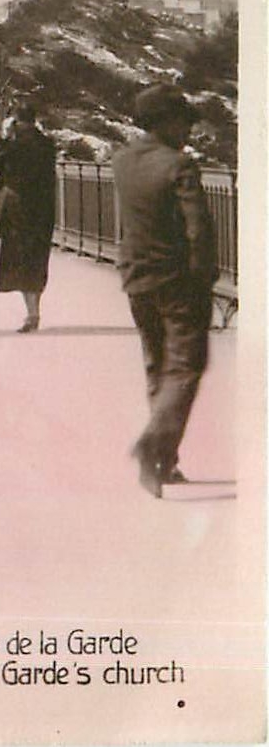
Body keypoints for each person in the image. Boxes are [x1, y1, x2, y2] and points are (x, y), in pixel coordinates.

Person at [112, 85, 216, 498]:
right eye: (183, 120)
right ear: (165, 122)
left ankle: (164, 463)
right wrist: (204, 277)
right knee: (186, 366)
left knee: (156, 362)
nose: (188, 129)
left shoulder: (121, 161)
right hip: (177, 281)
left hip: (136, 277)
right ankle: (153, 445)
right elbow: (198, 229)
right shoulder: (180, 165)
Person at [0, 102, 57, 331]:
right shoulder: (47, 144)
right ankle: (34, 310)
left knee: (19, 258)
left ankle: (31, 313)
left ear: (15, 121)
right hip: (43, 208)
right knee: (37, 257)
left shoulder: (12, 145)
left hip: (16, 208)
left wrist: (5, 136)